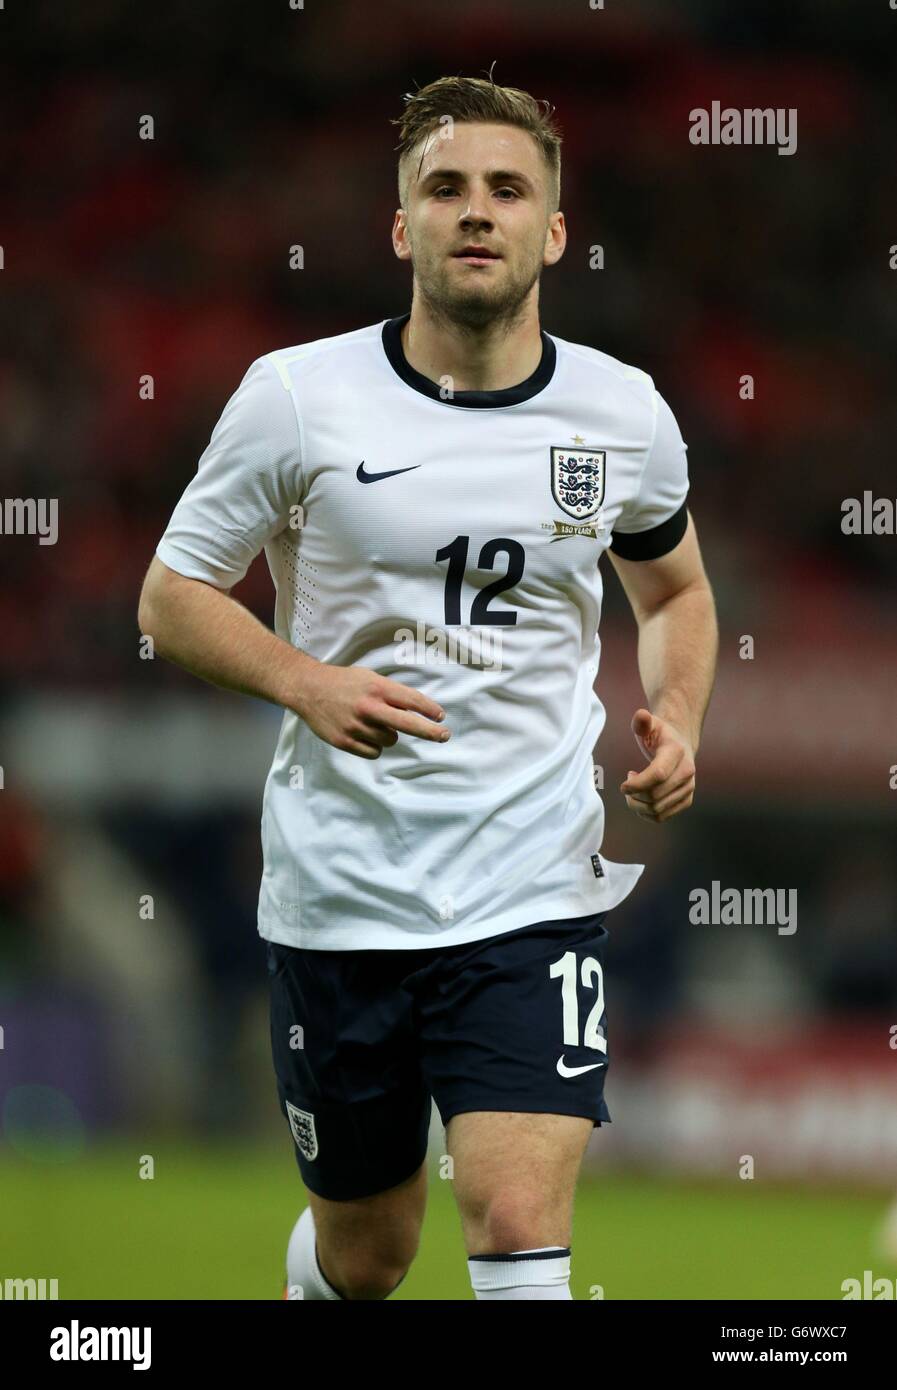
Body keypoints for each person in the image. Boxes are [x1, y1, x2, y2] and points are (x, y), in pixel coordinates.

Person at [138, 72, 718, 1301]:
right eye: (445, 187)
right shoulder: (295, 398)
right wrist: (305, 683)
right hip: (343, 886)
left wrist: (682, 719)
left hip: (531, 883)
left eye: (509, 190)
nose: (477, 211)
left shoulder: (622, 414)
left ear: (553, 231)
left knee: (515, 1223)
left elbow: (672, 593)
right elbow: (172, 596)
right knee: (369, 1253)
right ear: (401, 226)